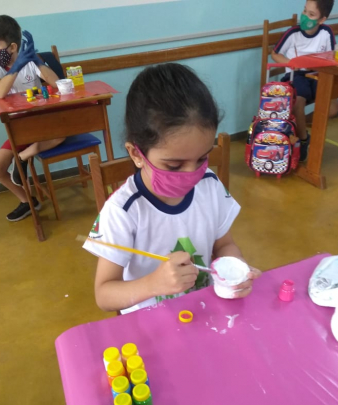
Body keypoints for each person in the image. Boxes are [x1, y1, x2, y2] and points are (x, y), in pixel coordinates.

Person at [83, 63, 261, 314]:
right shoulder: (123, 211)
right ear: (136, 154)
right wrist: (152, 284)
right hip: (150, 322)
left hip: (203, 310)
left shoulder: (210, 185)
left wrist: (235, 268)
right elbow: (104, 295)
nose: (191, 174)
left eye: (202, 158)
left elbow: (224, 245)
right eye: (174, 165)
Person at [0, 15, 65, 221]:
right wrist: (16, 66)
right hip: (19, 128)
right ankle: (27, 201)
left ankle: (23, 157)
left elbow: (57, 83)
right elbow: (0, 92)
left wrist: (35, 60)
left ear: (12, 47)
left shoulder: (30, 63)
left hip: (41, 122)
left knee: (62, 134)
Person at [271, 0, 338, 161]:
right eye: (304, 11)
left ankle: (300, 123)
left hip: (318, 75)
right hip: (296, 75)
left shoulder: (326, 33)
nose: (305, 17)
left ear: (322, 19)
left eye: (311, 14)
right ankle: (303, 140)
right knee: (298, 102)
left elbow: (331, 56)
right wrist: (290, 63)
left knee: (333, 107)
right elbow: (275, 53)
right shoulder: (292, 33)